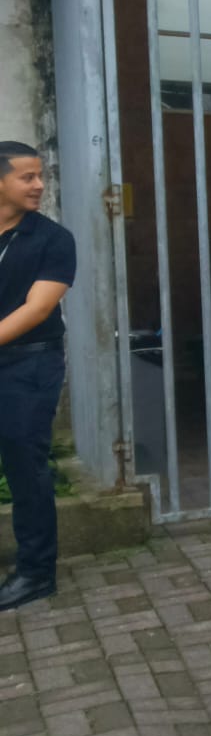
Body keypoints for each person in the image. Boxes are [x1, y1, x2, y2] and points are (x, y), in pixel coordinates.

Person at [0, 142, 75, 611]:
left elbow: (38, 308)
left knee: (26, 467)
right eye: (27, 177)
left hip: (29, 365)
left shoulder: (53, 239)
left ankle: (36, 572)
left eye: (40, 176)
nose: (39, 185)